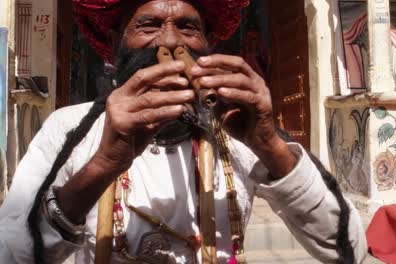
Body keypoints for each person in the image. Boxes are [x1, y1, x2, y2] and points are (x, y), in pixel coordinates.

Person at [0, 0, 367, 263]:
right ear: (116, 40)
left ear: (208, 41)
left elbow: (349, 247)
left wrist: (269, 144)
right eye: (148, 24)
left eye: (187, 27)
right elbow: (10, 253)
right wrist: (102, 165)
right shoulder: (69, 127)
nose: (170, 43)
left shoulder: (238, 132)